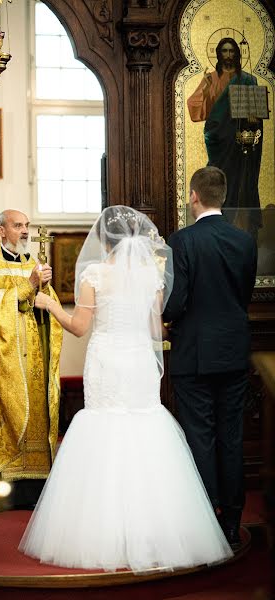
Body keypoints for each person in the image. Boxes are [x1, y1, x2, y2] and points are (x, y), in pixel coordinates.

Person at [19, 205, 232, 571]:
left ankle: (103, 533)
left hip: (106, 358)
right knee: (145, 429)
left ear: (103, 239)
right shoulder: (150, 275)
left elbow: (80, 327)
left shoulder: (95, 274)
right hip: (138, 361)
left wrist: (50, 304)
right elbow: (155, 330)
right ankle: (157, 531)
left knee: (104, 428)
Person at [163, 166, 257, 551]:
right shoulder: (244, 241)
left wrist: (169, 318)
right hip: (234, 350)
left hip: (194, 353)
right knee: (231, 438)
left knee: (200, 437)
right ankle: (233, 522)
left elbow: (177, 300)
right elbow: (244, 293)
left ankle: (207, 522)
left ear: (194, 197)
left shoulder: (182, 241)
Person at [0, 209, 63, 509]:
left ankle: (35, 488)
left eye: (26, 225)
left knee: (36, 415)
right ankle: (4, 487)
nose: (24, 231)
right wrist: (29, 285)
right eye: (18, 226)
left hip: (33, 360)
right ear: (1, 231)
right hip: (4, 365)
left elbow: (46, 306)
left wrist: (44, 288)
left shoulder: (33, 263)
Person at [187, 37, 263, 237]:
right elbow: (195, 107)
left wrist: (253, 119)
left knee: (240, 181)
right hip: (218, 139)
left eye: (231, 51)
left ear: (237, 55)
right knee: (217, 178)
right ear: (218, 54)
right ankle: (216, 222)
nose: (228, 55)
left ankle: (238, 226)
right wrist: (204, 88)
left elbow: (256, 114)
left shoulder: (248, 80)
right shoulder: (210, 79)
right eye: (224, 51)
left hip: (239, 142)